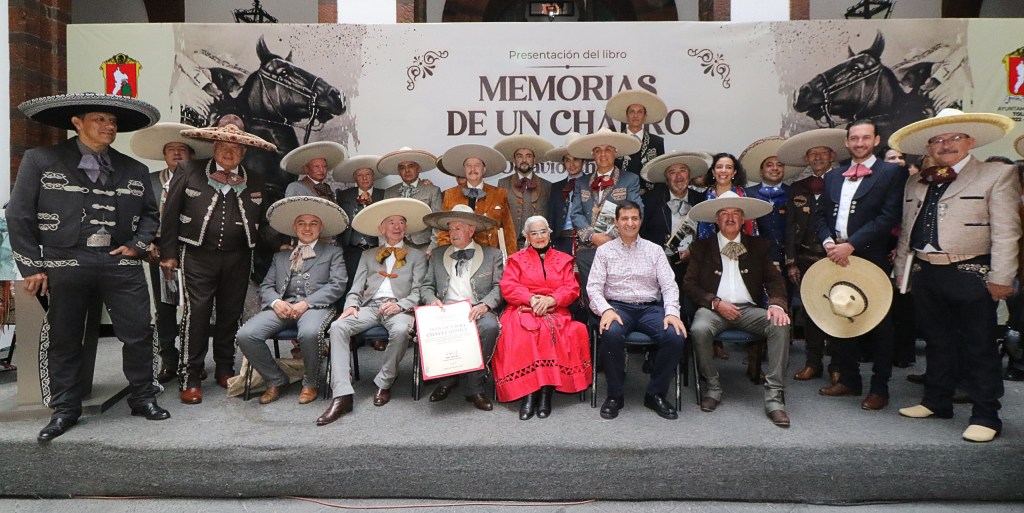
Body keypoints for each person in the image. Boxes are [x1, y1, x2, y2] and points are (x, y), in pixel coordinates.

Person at [10, 92, 170, 441]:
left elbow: (150, 215)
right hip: (65, 259)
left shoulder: (134, 169)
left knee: (139, 331)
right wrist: (32, 266)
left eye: (112, 121)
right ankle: (65, 409)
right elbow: (18, 214)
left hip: (119, 260)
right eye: (100, 119)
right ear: (77, 122)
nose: (108, 126)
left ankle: (143, 397)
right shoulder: (40, 160)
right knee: (65, 336)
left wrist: (137, 245)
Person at [890, 109, 1021, 443]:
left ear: (970, 141)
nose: (945, 145)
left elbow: (1007, 232)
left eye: (954, 138)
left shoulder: (996, 174)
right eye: (938, 140)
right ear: (929, 147)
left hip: (971, 271)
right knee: (936, 341)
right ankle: (937, 401)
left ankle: (986, 414)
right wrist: (902, 273)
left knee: (980, 345)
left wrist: (1002, 277)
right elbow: (907, 229)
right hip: (925, 271)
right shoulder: (916, 180)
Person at [160, 122, 275, 404]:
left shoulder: (255, 179)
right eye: (223, 146)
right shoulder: (189, 170)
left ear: (243, 152)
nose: (229, 152)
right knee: (197, 314)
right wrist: (168, 253)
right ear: (214, 147)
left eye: (235, 148)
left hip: (239, 256)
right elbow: (170, 213)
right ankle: (190, 377)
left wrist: (283, 241)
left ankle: (225, 368)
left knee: (230, 313)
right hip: (197, 255)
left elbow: (263, 223)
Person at [813, 119, 906, 411]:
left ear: (876, 140)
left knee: (880, 324)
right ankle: (849, 379)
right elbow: (820, 215)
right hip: (835, 256)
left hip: (871, 256)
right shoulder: (833, 175)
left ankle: (880, 387)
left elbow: (889, 217)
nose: (859, 143)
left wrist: (851, 245)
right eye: (854, 138)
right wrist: (828, 242)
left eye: (865, 138)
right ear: (847, 142)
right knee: (841, 314)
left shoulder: (891, 172)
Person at [683, 192, 792, 427]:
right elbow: (689, 285)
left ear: (743, 220)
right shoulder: (701, 247)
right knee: (699, 329)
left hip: (749, 310)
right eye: (724, 213)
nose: (730, 218)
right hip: (713, 309)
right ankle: (713, 387)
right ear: (716, 220)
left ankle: (774, 397)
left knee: (780, 324)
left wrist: (776, 304)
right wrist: (715, 302)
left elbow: (774, 279)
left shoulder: (758, 246)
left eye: (736, 213)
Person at [320, 198, 431, 425]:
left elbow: (419, 292)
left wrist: (401, 305)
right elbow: (356, 288)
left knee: (400, 331)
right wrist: (351, 305)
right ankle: (342, 394)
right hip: (370, 307)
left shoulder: (417, 255)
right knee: (338, 327)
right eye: (391, 222)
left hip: (400, 308)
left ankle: (384, 381)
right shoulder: (368, 254)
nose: (397, 227)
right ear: (382, 228)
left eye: (401, 222)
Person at [235, 196, 348, 405]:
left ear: (321, 227)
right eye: (302, 223)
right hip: (283, 307)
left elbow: (337, 285)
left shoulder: (333, 252)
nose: (307, 228)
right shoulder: (280, 256)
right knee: (246, 335)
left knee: (309, 333)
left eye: (313, 223)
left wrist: (307, 303)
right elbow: (266, 286)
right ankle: (275, 379)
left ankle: (311, 382)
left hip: (316, 307)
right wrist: (276, 303)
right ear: (294, 227)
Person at [129, 122, 213, 383]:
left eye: (182, 149)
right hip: (160, 253)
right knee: (165, 307)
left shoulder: (203, 180)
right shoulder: (150, 181)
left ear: (191, 155)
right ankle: (169, 361)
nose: (176, 153)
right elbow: (138, 216)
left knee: (198, 308)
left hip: (195, 253)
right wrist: (146, 244)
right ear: (164, 155)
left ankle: (194, 362)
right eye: (171, 149)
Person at [587, 201, 686, 421]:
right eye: (624, 218)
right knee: (610, 332)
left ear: (640, 221)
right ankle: (615, 395)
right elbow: (593, 287)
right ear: (616, 222)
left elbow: (669, 286)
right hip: (617, 307)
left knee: (675, 335)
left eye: (634, 218)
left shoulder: (655, 250)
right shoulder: (604, 251)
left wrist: (671, 312)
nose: (630, 223)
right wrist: (606, 310)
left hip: (650, 308)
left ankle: (655, 394)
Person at [492, 216, 592, 420]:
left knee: (550, 332)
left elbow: (571, 288)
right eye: (534, 233)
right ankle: (529, 394)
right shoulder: (516, 260)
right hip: (522, 308)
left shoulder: (564, 260)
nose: (539, 236)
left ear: (550, 233)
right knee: (524, 333)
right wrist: (531, 299)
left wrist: (552, 299)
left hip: (555, 309)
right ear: (527, 237)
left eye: (543, 231)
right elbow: (509, 286)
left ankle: (546, 393)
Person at [777, 128, 848, 382]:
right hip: (806, 260)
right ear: (806, 159)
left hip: (838, 259)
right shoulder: (798, 188)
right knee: (811, 313)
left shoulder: (844, 182)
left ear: (832, 156)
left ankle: (838, 365)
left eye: (822, 153)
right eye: (812, 154)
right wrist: (791, 262)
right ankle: (813, 362)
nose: (817, 157)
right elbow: (790, 227)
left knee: (839, 309)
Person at [421, 204, 505, 412]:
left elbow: (499, 287)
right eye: (450, 229)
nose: (452, 233)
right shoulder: (438, 254)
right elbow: (426, 286)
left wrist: (485, 304)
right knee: (430, 327)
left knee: (490, 327)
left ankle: (474, 386)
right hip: (445, 309)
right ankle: (446, 380)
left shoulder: (492, 254)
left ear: (471, 230)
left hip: (476, 308)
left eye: (457, 228)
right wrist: (432, 301)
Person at [567, 127, 642, 301]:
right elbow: (576, 213)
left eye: (607, 149)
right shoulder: (581, 182)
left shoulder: (629, 179)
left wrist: (611, 237)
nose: (603, 154)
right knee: (591, 297)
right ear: (592, 155)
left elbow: (637, 210)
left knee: (618, 296)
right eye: (598, 150)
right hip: (588, 250)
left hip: (619, 249)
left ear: (615, 152)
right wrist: (592, 236)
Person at [639, 151, 709, 317]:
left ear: (689, 175)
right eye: (672, 172)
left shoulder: (702, 200)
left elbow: (709, 236)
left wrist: (693, 252)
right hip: (660, 267)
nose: (678, 177)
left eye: (682, 170)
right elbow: (641, 235)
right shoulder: (650, 200)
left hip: (695, 266)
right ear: (666, 178)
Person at [437, 144, 518, 256]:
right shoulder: (450, 194)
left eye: (477, 165)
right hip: (459, 254)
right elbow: (443, 230)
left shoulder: (499, 193)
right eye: (468, 166)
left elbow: (508, 230)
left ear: (484, 169)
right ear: (464, 169)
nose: (473, 169)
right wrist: (446, 255)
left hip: (490, 255)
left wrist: (511, 258)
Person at [741, 137, 795, 269]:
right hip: (756, 259)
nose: (775, 168)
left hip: (789, 260)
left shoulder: (794, 193)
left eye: (779, 165)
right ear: (761, 171)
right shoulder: (747, 195)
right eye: (769, 165)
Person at [379, 147, 443, 254]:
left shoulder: (432, 190)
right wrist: (384, 247)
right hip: (395, 247)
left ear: (418, 169)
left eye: (411, 166)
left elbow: (437, 223)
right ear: (398, 171)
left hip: (423, 247)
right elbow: (384, 222)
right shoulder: (389, 192)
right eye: (402, 167)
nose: (407, 170)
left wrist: (432, 248)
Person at [495, 135, 554, 250]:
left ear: (534, 160)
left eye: (528, 156)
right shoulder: (503, 183)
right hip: (511, 243)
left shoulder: (547, 185)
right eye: (519, 156)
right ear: (514, 160)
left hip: (539, 244)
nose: (524, 160)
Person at [334, 155, 385, 289]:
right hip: (352, 248)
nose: (364, 178)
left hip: (377, 248)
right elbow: (338, 218)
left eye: (368, 174)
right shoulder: (344, 195)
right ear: (354, 178)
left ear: (373, 176)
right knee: (352, 282)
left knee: (376, 281)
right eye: (360, 175)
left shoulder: (384, 194)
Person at [606, 89, 667, 195]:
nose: (635, 115)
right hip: (619, 196)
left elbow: (660, 173)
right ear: (626, 116)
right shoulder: (616, 141)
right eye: (632, 111)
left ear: (645, 116)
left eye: (640, 112)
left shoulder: (656, 142)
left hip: (649, 197)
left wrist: (656, 197)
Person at [696, 153, 756, 241]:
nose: (723, 170)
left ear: (734, 173)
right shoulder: (700, 198)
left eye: (728, 167)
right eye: (719, 167)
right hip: (709, 248)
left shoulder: (746, 196)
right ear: (713, 172)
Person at [544, 133, 585, 255]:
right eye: (567, 160)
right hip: (561, 241)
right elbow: (551, 216)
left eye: (576, 159)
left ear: (583, 161)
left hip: (585, 241)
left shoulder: (591, 183)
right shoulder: (556, 187)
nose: (571, 164)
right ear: (563, 163)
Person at [281, 141, 347, 201]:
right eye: (316, 166)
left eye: (324, 166)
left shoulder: (327, 189)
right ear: (306, 169)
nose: (321, 170)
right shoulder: (296, 187)